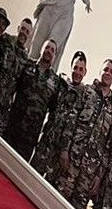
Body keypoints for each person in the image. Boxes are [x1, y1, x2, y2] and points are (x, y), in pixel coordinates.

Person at [58, 58, 112, 209]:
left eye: (111, 72)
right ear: (100, 71)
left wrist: (99, 176)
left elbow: (108, 146)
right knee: (56, 202)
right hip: (71, 162)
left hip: (88, 175)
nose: (108, 73)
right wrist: (64, 150)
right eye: (106, 70)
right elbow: (71, 121)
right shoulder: (86, 92)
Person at [32, 49, 88, 179]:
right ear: (71, 67)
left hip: (61, 153)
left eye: (81, 69)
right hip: (45, 143)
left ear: (85, 72)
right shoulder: (60, 84)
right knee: (31, 177)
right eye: (75, 68)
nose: (77, 72)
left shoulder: (85, 96)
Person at [4, 38, 58, 159]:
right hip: (12, 126)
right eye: (47, 48)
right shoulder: (27, 65)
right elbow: (12, 88)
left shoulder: (55, 82)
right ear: (41, 50)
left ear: (55, 55)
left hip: (29, 137)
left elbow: (53, 111)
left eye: (52, 50)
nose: (49, 51)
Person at [0, 15, 32, 134]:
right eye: (23, 29)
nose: (24, 33)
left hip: (3, 108)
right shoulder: (5, 41)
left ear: (30, 35)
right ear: (18, 28)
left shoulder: (25, 59)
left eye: (27, 31)